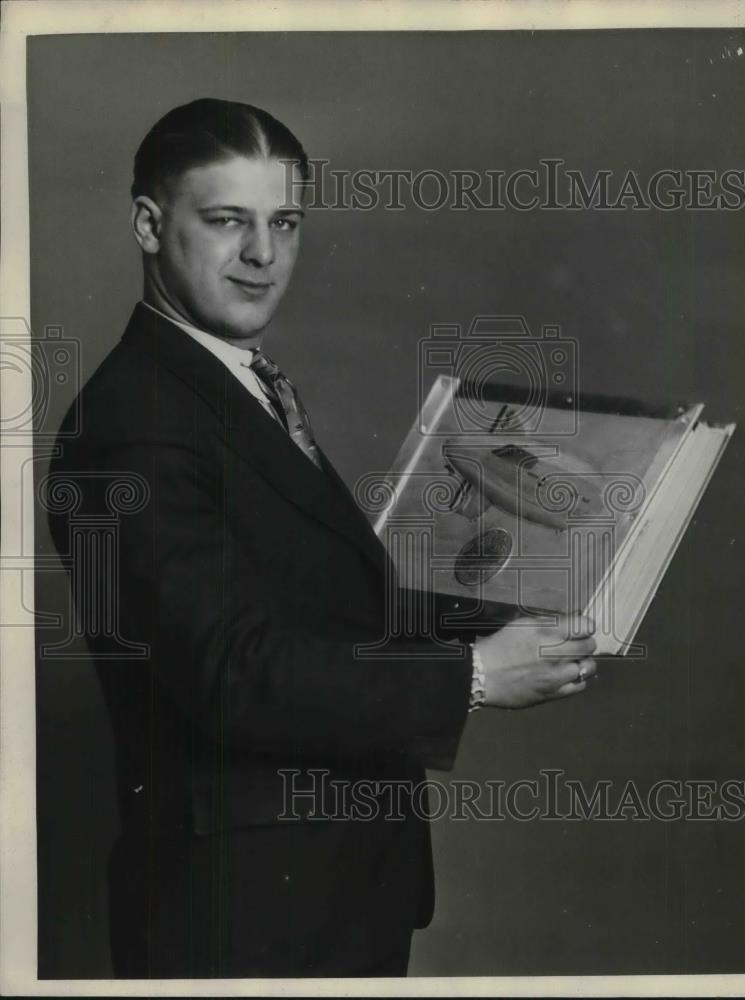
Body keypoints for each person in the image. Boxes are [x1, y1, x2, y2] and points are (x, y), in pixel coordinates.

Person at [47, 98, 597, 979]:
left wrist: (516, 592)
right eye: (228, 221)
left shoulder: (226, 387)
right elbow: (234, 671)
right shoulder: (136, 418)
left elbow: (312, 608)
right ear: (149, 225)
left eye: (285, 222)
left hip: (321, 899)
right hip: (244, 918)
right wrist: (481, 675)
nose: (264, 256)